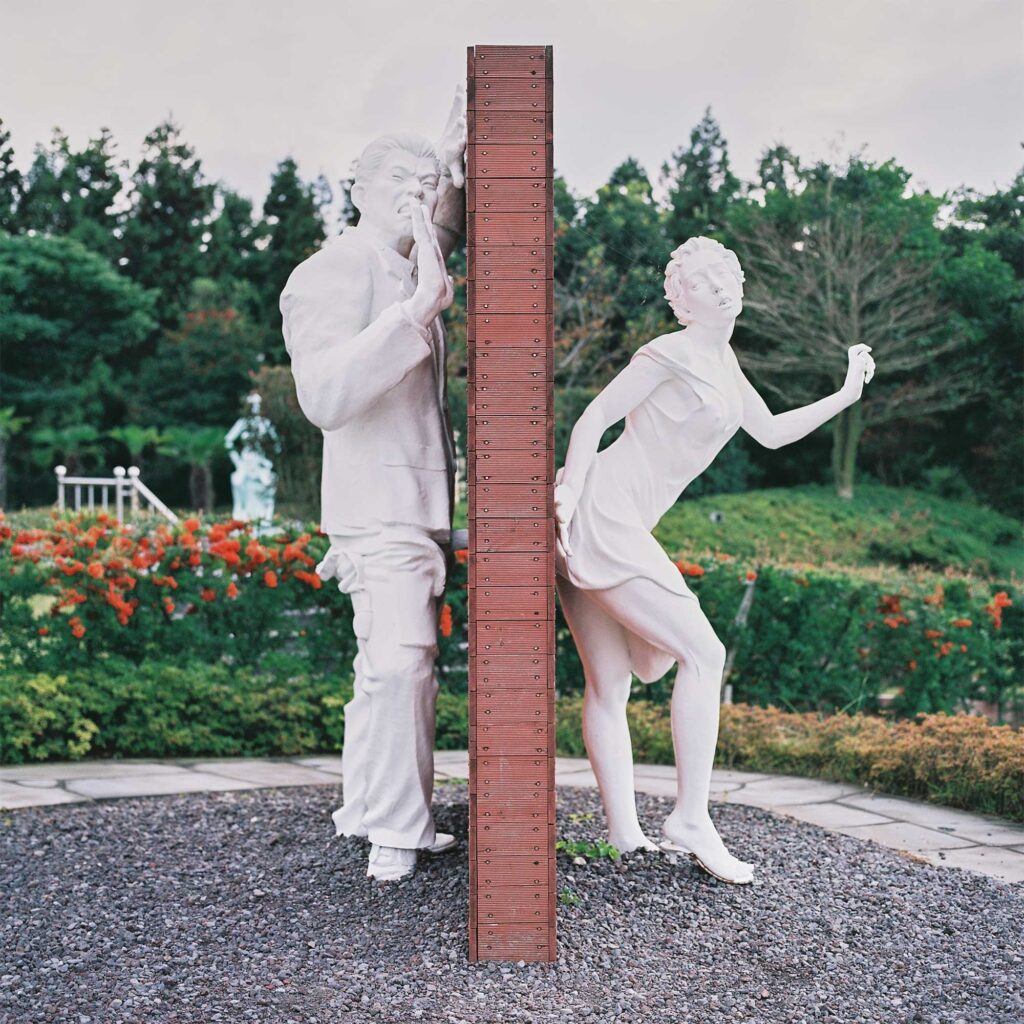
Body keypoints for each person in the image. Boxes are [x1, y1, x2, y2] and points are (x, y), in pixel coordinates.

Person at [553, 236, 875, 883]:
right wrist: (566, 492)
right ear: (681, 301)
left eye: (724, 270)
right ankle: (690, 816)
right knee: (705, 653)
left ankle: (622, 835)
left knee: (616, 680)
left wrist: (846, 393)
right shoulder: (668, 353)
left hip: (619, 521)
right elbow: (593, 418)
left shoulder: (724, 364)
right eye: (701, 278)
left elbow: (774, 431)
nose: (719, 281)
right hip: (600, 512)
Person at [280, 89, 466, 882]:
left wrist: (456, 155)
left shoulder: (414, 261)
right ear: (358, 188)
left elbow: (443, 224)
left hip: (418, 503)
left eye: (428, 187)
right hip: (374, 501)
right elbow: (323, 397)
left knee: (379, 659)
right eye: (404, 182)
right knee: (400, 659)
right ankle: (396, 828)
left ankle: (365, 806)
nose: (419, 199)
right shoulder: (331, 271)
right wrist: (414, 316)